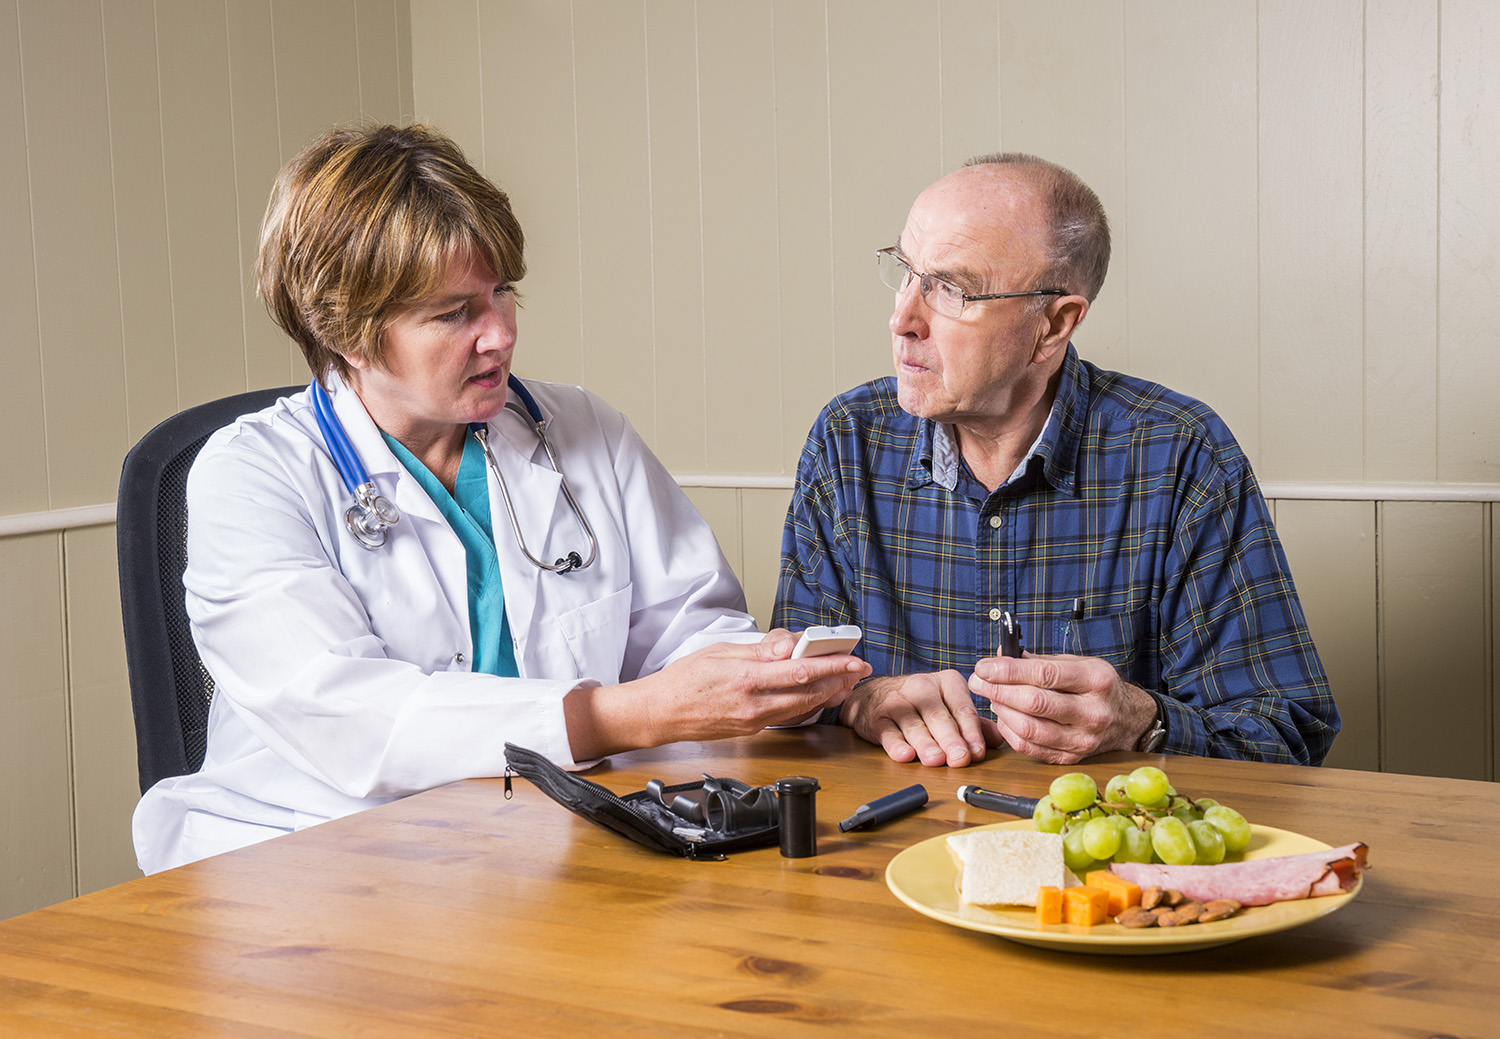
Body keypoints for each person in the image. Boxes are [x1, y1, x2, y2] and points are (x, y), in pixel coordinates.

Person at [132, 124, 868, 874]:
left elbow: (687, 629)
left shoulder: (581, 428)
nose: (501, 333)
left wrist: (789, 675)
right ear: (346, 331)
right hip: (318, 861)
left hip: (544, 846)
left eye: (502, 292)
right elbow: (352, 718)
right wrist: (617, 714)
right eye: (454, 314)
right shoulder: (250, 473)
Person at [774, 153, 1337, 769]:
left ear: (1053, 325)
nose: (902, 318)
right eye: (906, 272)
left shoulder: (1180, 455)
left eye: (952, 289)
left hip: (1101, 851)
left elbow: (1286, 736)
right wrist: (861, 699)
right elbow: (792, 693)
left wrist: (1141, 721)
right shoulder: (847, 440)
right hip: (894, 846)